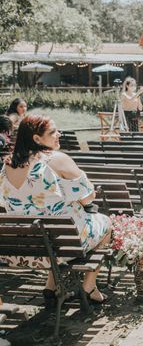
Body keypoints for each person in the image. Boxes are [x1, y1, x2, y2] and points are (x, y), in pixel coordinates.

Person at [0, 115, 111, 304]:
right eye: (52, 132)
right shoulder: (56, 160)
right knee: (106, 224)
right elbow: (88, 197)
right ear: (36, 139)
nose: (58, 134)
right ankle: (89, 286)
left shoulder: (7, 166)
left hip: (23, 250)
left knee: (47, 227)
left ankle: (51, 286)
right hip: (64, 245)